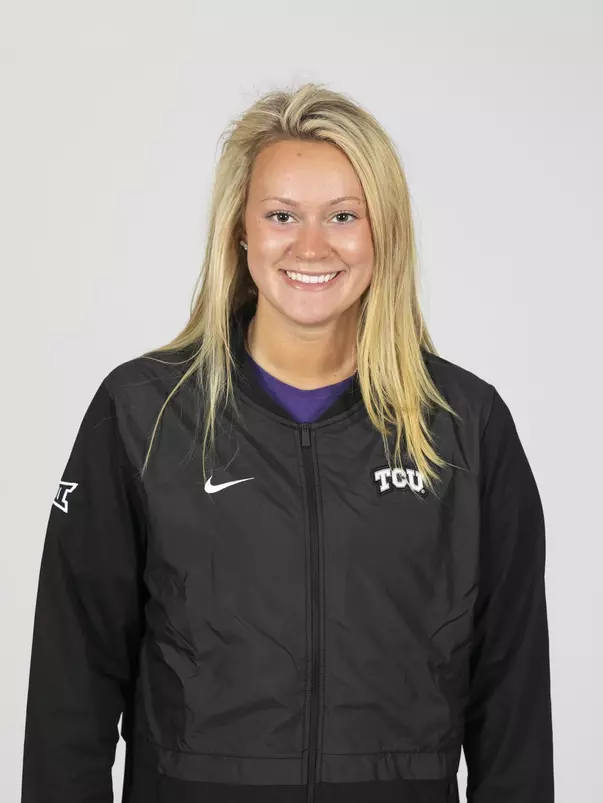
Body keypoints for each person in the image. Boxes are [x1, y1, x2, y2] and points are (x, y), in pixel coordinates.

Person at [21, 83, 554, 803]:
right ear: (240, 232)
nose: (310, 246)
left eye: (342, 216)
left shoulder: (464, 424)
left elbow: (511, 696)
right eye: (280, 215)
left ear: (382, 233)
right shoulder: (143, 411)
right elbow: (71, 680)